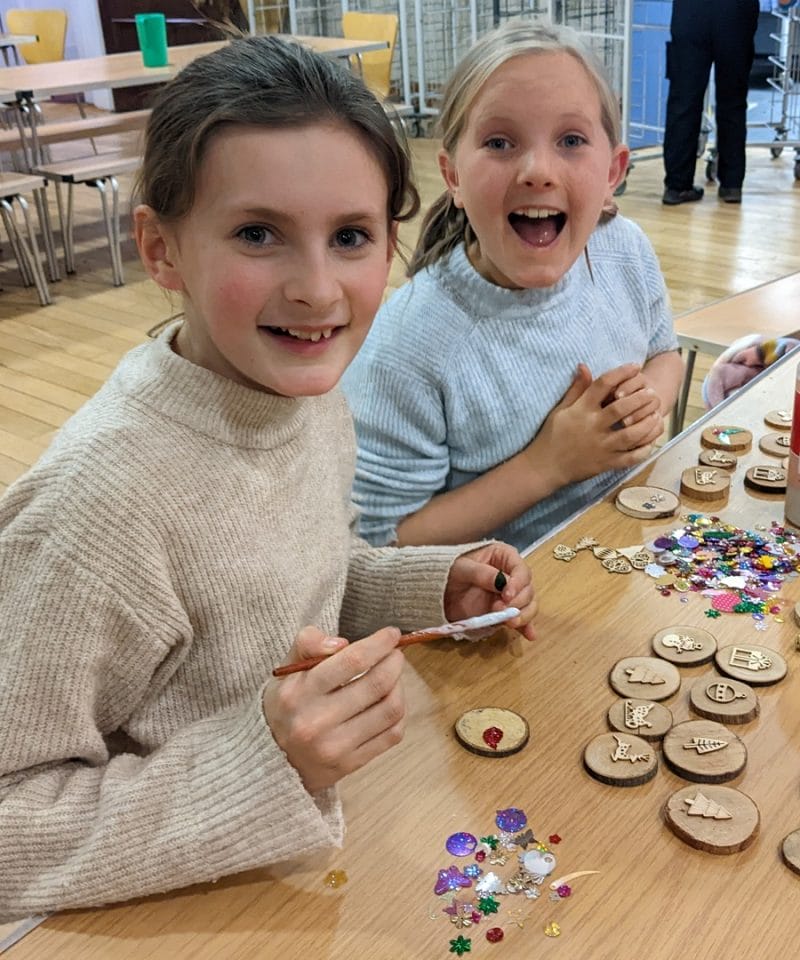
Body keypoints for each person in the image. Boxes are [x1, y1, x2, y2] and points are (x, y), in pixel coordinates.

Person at [0, 36, 537, 921]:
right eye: (258, 234)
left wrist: (427, 585)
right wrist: (266, 762)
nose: (318, 290)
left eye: (351, 237)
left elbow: (295, 580)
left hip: (288, 882)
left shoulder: (303, 395)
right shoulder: (96, 508)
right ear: (162, 250)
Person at [342, 19, 683, 552]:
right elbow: (381, 542)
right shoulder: (408, 346)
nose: (538, 170)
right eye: (500, 142)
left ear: (612, 171)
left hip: (632, 554)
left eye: (571, 141)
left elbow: (666, 354)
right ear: (453, 176)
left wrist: (643, 408)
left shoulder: (624, 249)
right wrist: (549, 465)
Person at [662, 0, 759, 205]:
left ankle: (677, 186)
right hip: (736, 12)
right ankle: (732, 184)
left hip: (691, 11)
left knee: (683, 101)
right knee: (733, 101)